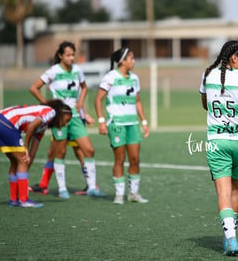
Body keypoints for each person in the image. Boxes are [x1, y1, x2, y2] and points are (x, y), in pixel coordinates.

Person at [199, 40, 238, 256]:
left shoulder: (207, 74)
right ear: (234, 58)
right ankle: (229, 236)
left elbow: (205, 104)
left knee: (223, 191)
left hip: (216, 141)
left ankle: (230, 238)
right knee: (235, 190)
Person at [30, 40, 104, 199]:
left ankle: (92, 187)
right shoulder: (53, 71)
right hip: (60, 118)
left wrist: (81, 103)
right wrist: (48, 105)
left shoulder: (78, 70)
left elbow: (84, 87)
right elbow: (33, 88)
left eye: (73, 55)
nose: (71, 58)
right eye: (68, 55)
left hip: (76, 117)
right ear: (60, 56)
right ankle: (62, 189)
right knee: (60, 152)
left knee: (89, 150)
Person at [0, 99, 72, 208]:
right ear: (61, 114)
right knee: (22, 161)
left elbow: (32, 153)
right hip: (7, 123)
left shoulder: (43, 125)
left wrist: (27, 161)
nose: (66, 124)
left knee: (16, 162)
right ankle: (24, 200)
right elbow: (31, 127)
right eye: (66, 120)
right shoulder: (51, 112)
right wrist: (25, 149)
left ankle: (14, 199)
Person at [94, 47, 150, 205]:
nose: (134, 61)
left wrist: (144, 122)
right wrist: (101, 122)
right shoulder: (110, 77)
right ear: (122, 61)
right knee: (119, 159)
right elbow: (97, 100)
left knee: (135, 159)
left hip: (132, 124)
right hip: (117, 124)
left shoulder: (134, 78)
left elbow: (137, 101)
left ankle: (133, 193)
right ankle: (119, 195)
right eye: (131, 58)